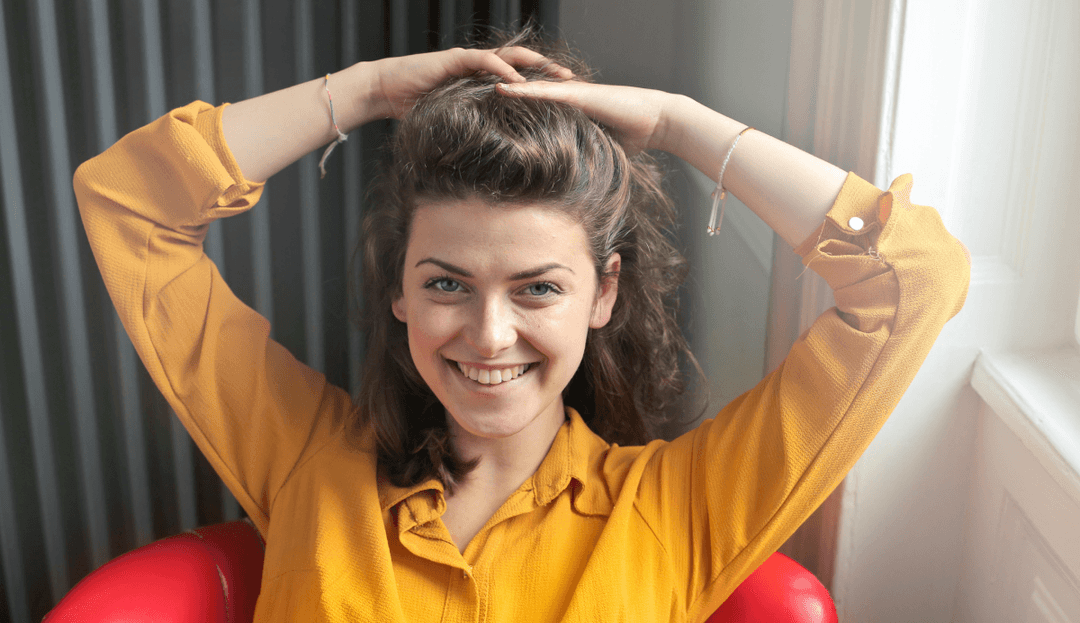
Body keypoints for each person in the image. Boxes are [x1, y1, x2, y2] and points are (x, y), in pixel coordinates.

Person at [73, 29, 970, 623]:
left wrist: (676, 122)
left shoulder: (679, 509)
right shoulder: (304, 456)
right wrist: (365, 89)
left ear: (603, 293)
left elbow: (914, 277)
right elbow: (127, 201)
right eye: (447, 283)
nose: (489, 333)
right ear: (398, 288)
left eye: (538, 288)